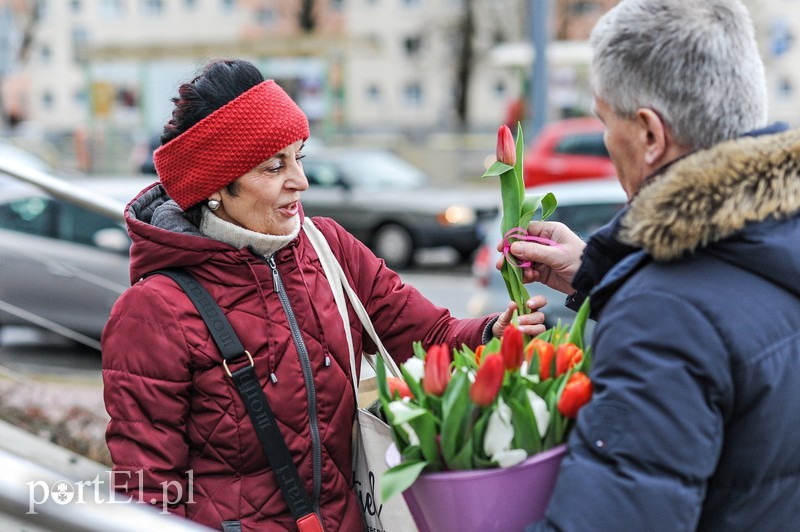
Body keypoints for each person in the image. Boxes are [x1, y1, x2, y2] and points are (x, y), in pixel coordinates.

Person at [101, 59, 545, 531]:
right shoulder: (154, 312)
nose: (301, 181)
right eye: (275, 166)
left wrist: (496, 332)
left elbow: (431, 335)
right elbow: (145, 494)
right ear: (215, 187)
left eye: (300, 157)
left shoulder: (328, 248)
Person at [506, 1, 800, 530]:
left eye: (603, 119)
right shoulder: (778, 238)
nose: (604, 139)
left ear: (648, 134)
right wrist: (599, 274)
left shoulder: (662, 317)